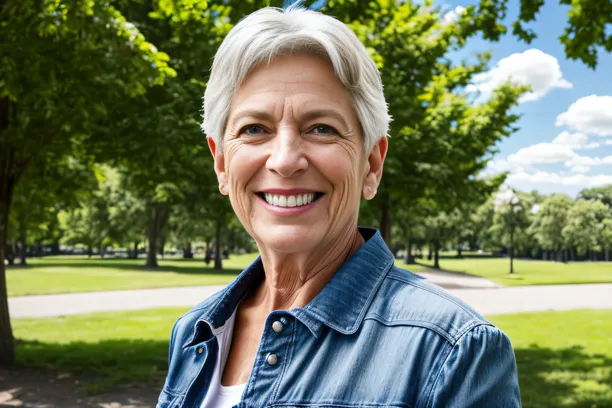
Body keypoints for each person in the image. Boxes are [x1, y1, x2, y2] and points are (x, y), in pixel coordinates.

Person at [158, 6, 520, 408]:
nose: (285, 159)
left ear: (371, 164)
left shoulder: (453, 351)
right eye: (254, 129)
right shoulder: (195, 331)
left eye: (322, 128)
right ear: (222, 164)